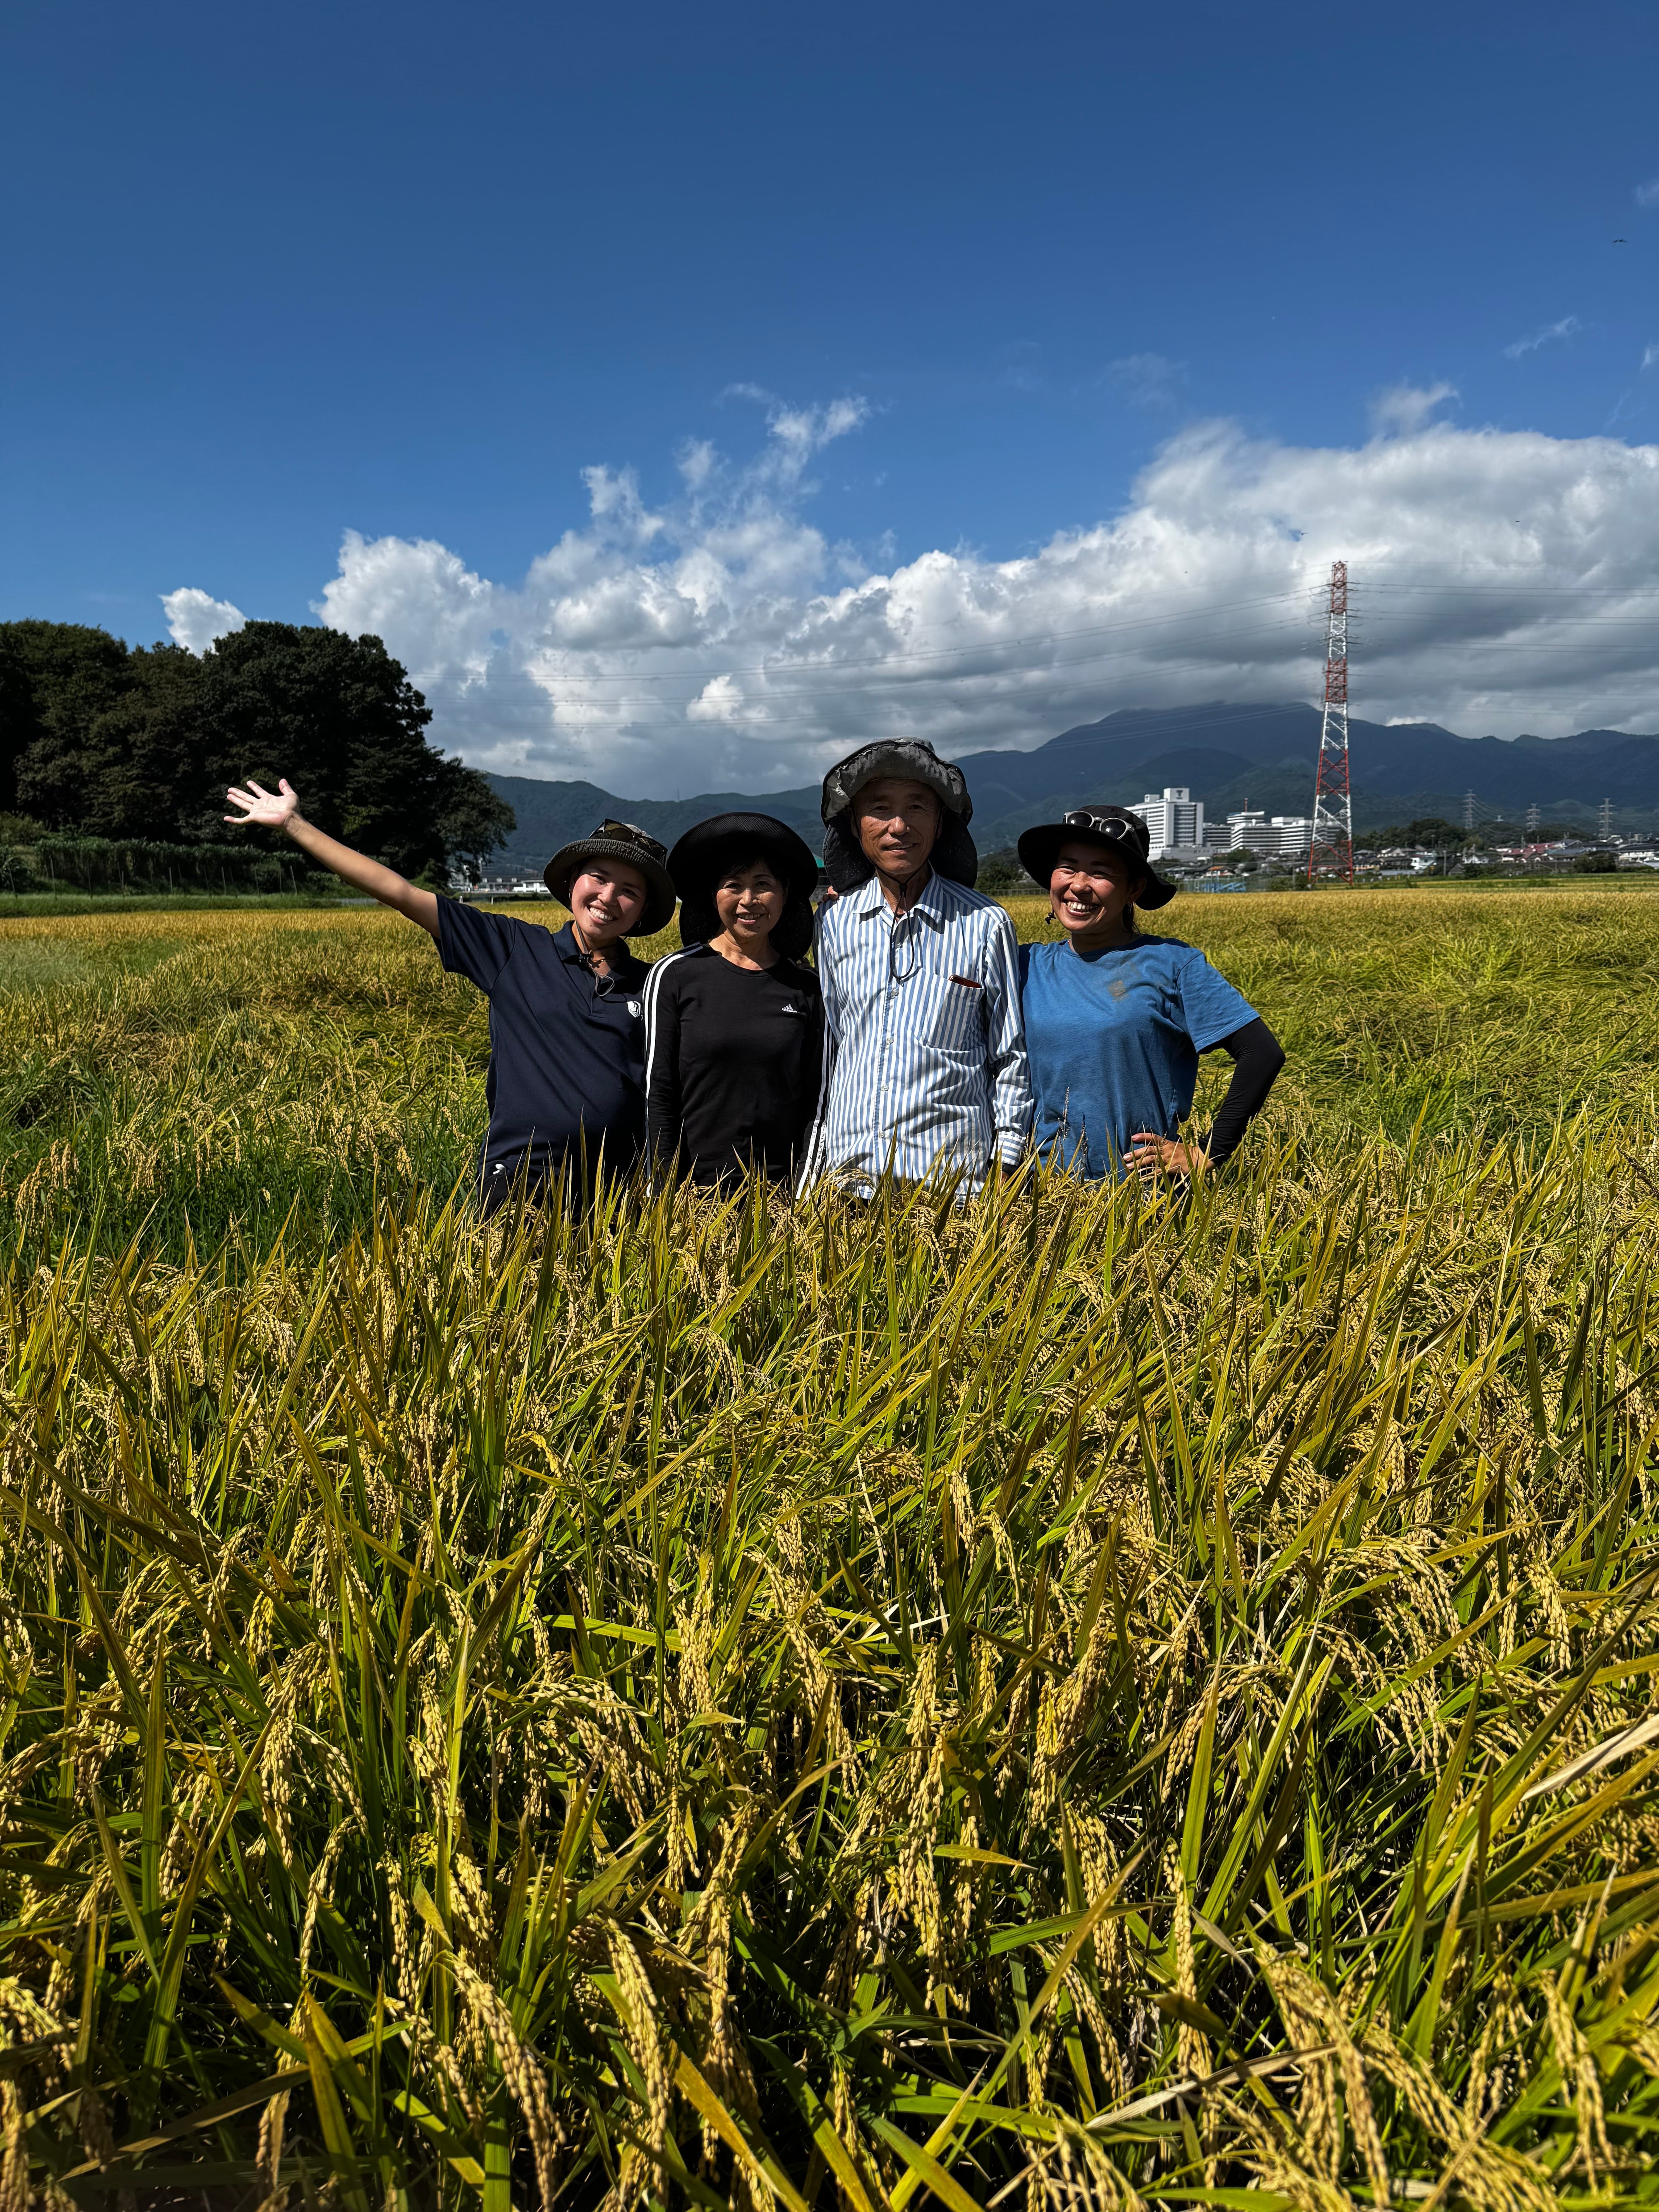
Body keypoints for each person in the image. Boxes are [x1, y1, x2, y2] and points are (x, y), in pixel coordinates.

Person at [222, 777, 677, 1208]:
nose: (608, 897)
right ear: (573, 880)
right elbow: (399, 892)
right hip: (520, 1183)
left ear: (641, 913)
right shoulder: (514, 949)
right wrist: (294, 824)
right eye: (599, 877)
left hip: (619, 1194)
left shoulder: (655, 985)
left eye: (629, 891)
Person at [803, 739, 1031, 1195]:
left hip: (952, 1186)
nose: (899, 826)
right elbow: (836, 1045)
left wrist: (1007, 1163)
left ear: (940, 822)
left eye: (916, 808)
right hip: (850, 1182)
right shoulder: (831, 924)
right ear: (855, 824)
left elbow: (1009, 1054)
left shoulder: (985, 924)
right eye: (880, 809)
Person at [1015, 805, 1284, 1183]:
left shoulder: (1172, 964)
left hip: (1141, 1196)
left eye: (1100, 872)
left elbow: (1261, 1053)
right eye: (1068, 867)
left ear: (1134, 889)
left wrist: (1209, 1151)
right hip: (1042, 1191)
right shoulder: (1024, 964)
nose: (1079, 885)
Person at [643, 813, 823, 1188]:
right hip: (694, 1194)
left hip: (777, 1196)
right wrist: (663, 1196)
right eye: (733, 885)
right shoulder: (675, 975)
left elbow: (815, 1102)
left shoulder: (807, 988)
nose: (749, 900)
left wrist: (801, 1197)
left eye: (763, 884)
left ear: (785, 893)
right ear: (714, 896)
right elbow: (658, 1093)